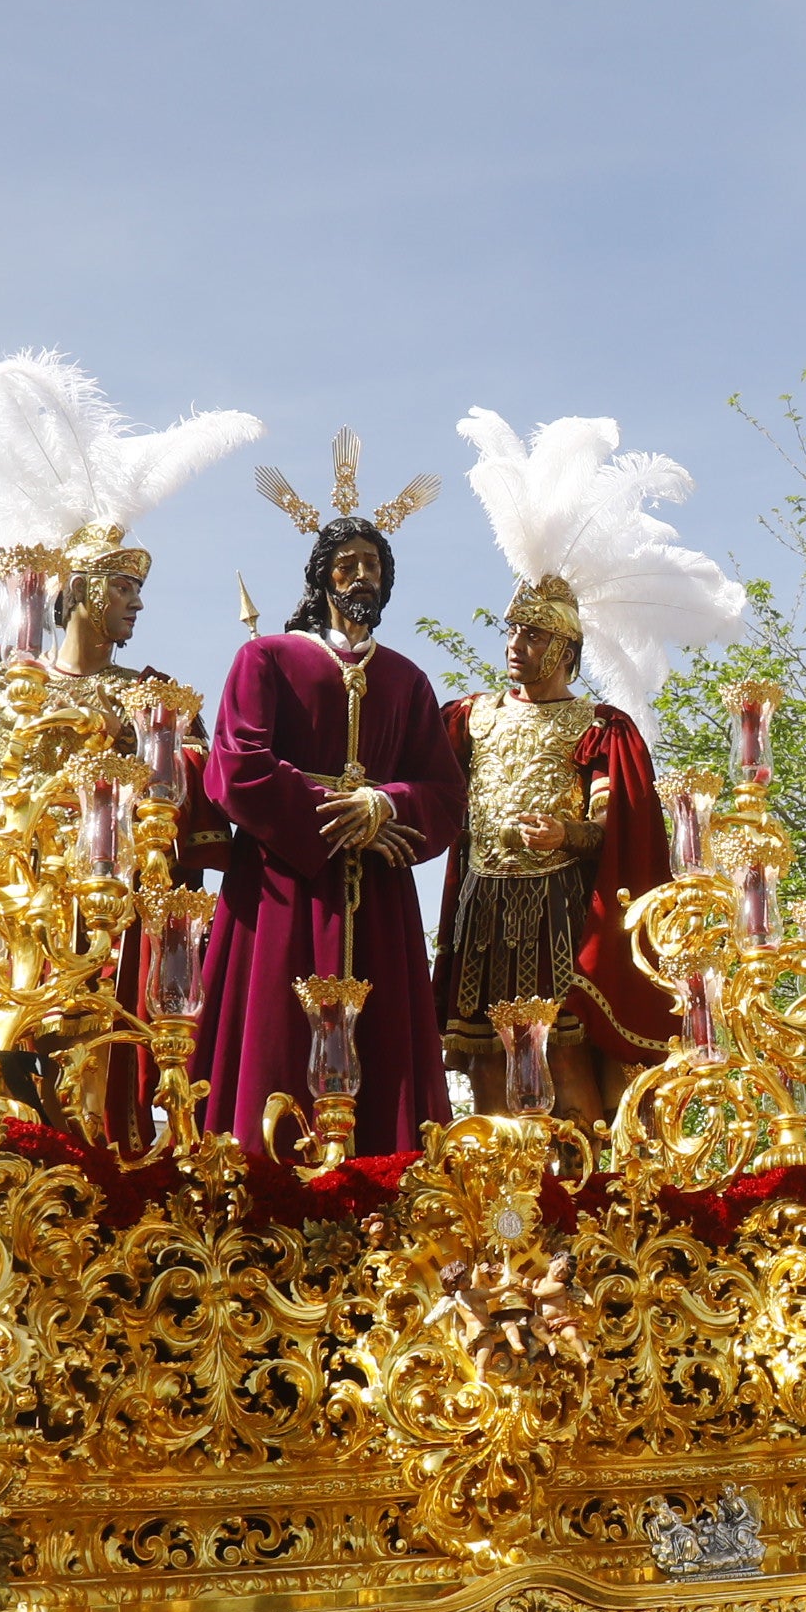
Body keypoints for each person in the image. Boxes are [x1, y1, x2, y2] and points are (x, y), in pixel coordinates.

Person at [201, 453, 469, 1158]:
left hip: (375, 893)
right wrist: (332, 812)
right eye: (347, 564)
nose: (361, 578)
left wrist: (384, 807)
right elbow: (235, 766)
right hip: (283, 887)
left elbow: (445, 795)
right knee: (273, 1038)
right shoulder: (266, 660)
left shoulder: (408, 681)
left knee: (384, 1048)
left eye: (373, 567)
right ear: (322, 578)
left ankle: (385, 1187)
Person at [431, 562, 680, 1123]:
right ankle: (499, 1187)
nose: (515, 645)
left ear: (566, 647)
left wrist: (565, 833)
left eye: (533, 634)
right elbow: (428, 793)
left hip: (557, 909)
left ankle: (584, 1188)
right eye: (513, 630)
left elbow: (612, 829)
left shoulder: (596, 725)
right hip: (483, 908)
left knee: (565, 1056)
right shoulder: (472, 718)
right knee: (486, 1059)